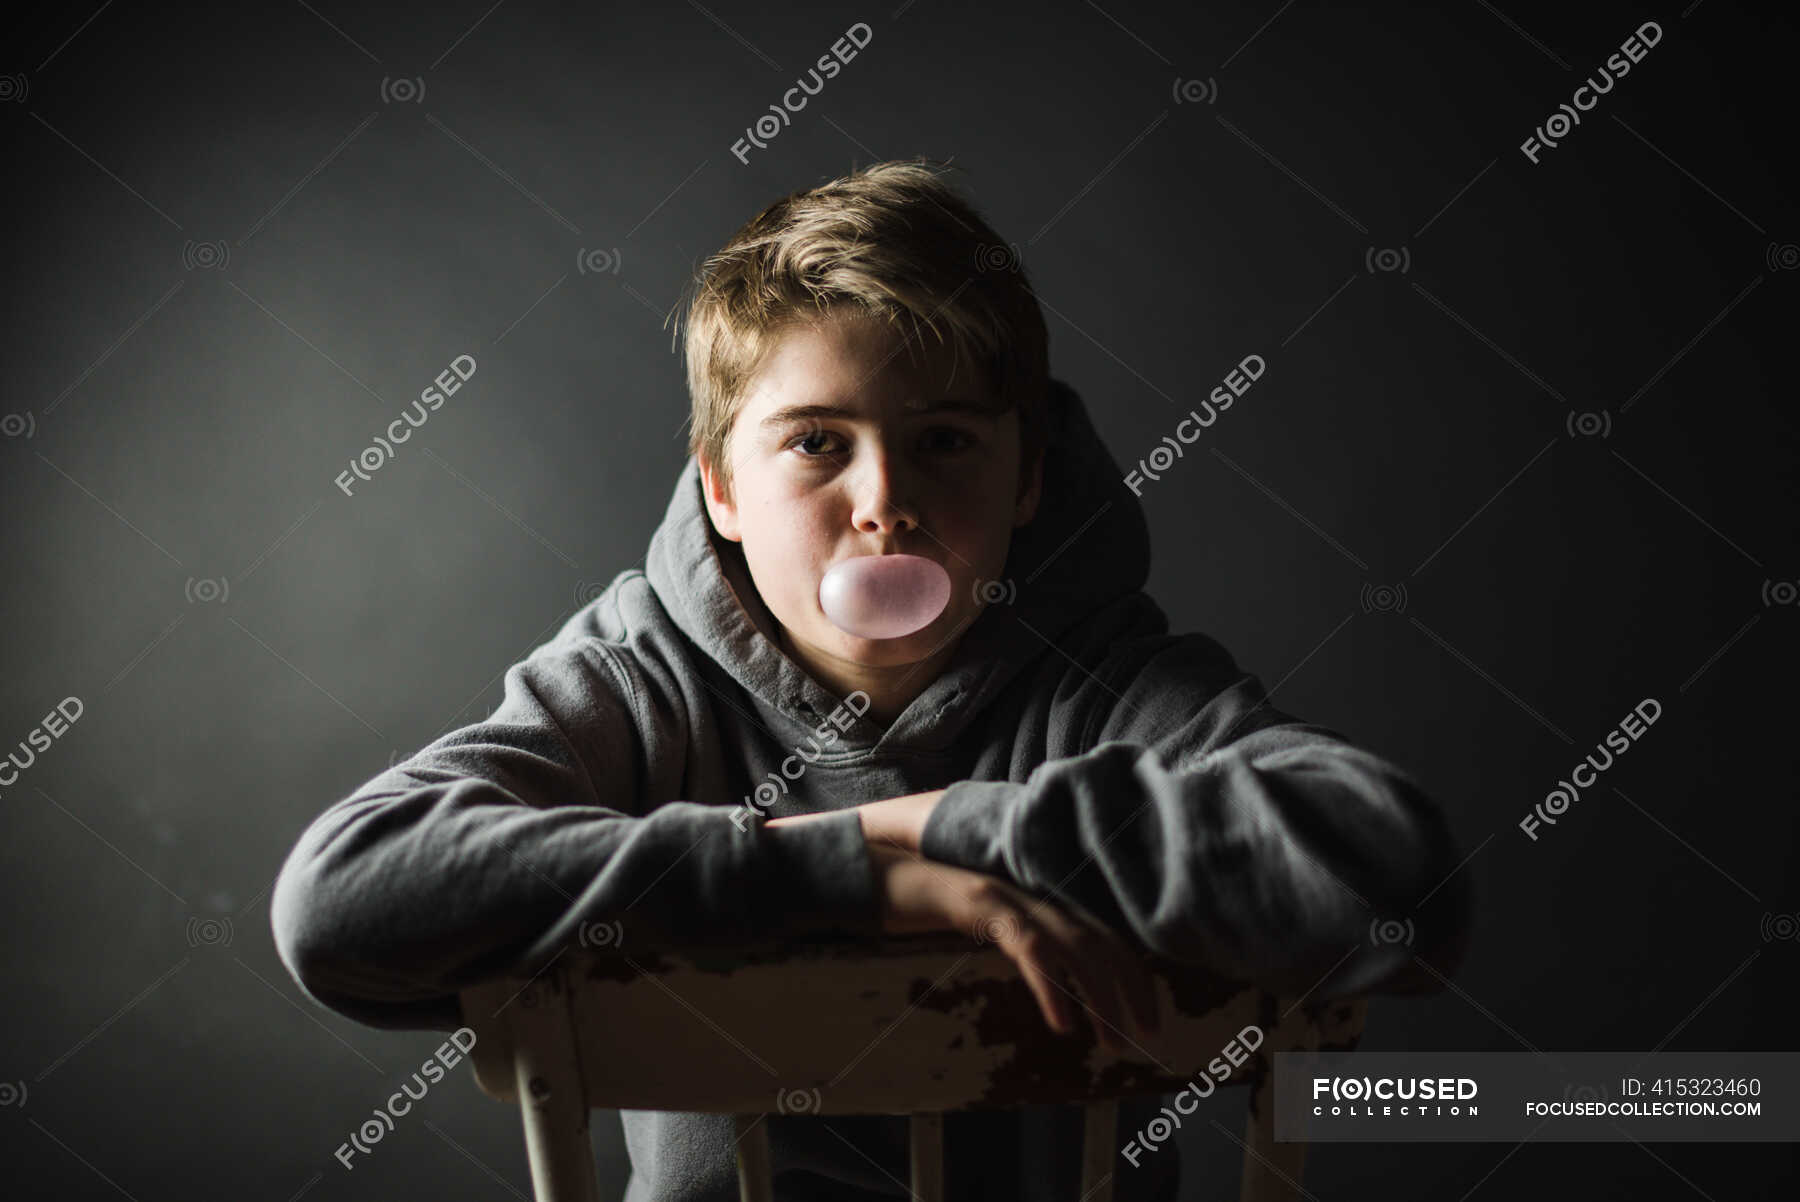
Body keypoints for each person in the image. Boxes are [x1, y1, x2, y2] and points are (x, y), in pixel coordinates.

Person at [270, 158, 1472, 1201]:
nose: (886, 498)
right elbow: (343, 899)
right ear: (722, 489)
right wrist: (871, 860)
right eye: (815, 441)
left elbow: (1398, 877)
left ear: (1028, 479)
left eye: (945, 438)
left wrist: (957, 826)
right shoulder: (638, 680)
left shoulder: (1104, 682)